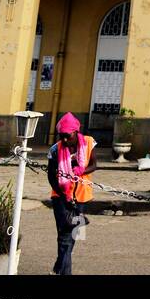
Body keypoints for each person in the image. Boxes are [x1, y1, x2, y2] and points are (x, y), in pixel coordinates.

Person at [47, 112, 96, 275]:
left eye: (68, 136)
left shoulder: (89, 142)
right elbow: (51, 176)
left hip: (81, 197)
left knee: (74, 234)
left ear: (76, 132)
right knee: (65, 235)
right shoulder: (55, 149)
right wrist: (64, 195)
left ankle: (59, 266)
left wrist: (81, 171)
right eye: (62, 137)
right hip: (61, 198)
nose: (65, 140)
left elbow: (94, 164)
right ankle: (65, 272)